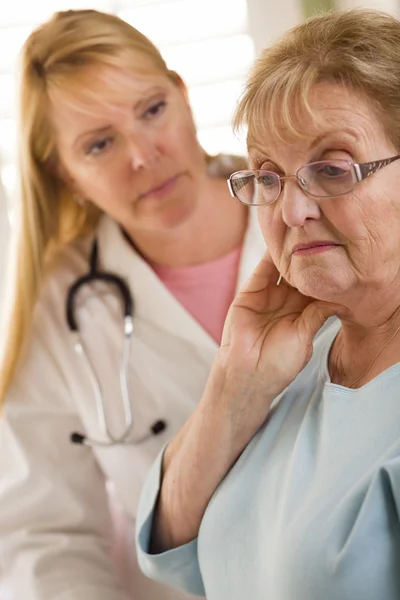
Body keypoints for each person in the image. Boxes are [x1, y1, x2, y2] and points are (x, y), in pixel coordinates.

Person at [0, 9, 265, 600]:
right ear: (63, 173)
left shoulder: (306, 213)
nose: (144, 156)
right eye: (99, 144)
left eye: (152, 110)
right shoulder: (57, 307)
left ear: (183, 96)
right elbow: (46, 536)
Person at [136, 8, 400, 600]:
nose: (289, 211)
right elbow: (174, 549)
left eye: (331, 169)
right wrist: (234, 384)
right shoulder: (297, 352)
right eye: (269, 176)